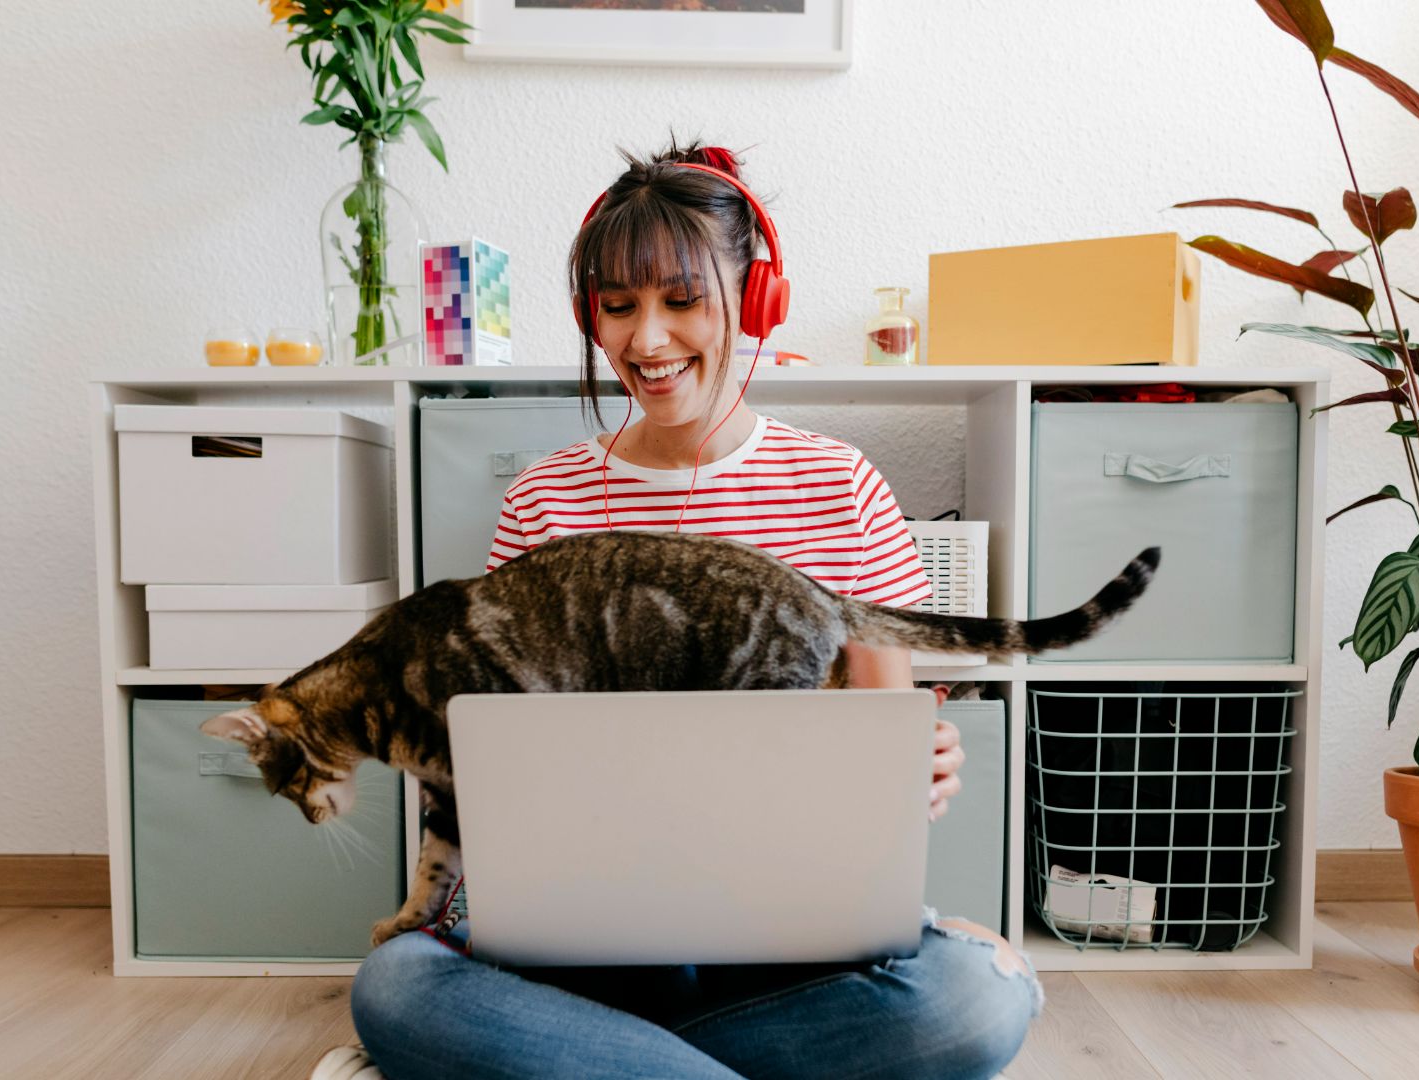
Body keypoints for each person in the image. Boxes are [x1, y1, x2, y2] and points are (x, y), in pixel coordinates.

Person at [345, 140, 1039, 1080]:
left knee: (980, 996)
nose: (646, 340)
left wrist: (921, 768)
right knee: (396, 990)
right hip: (587, 942)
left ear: (753, 302)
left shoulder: (842, 486)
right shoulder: (543, 500)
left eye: (681, 300)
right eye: (619, 307)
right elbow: (504, 755)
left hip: (795, 938)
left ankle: (609, 1068)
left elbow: (887, 741)